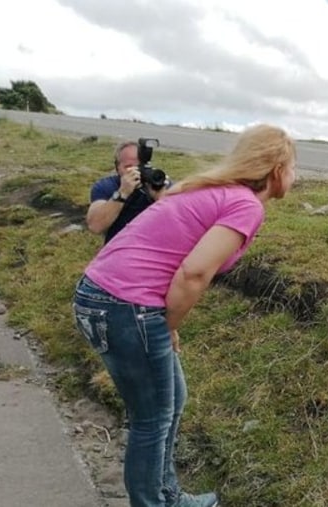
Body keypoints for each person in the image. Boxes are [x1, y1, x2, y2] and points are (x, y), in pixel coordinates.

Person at [71, 124, 297, 507]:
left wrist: (163, 323)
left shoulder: (209, 189)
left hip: (102, 296)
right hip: (126, 306)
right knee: (152, 417)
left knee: (171, 400)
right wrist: (166, 324)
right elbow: (193, 273)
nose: (295, 175)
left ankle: (168, 495)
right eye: (293, 166)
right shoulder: (245, 204)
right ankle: (153, 503)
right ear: (276, 169)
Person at [87, 140, 169, 243]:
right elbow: (95, 226)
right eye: (129, 167)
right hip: (118, 249)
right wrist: (122, 193)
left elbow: (177, 226)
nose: (136, 172)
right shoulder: (106, 186)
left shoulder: (158, 185)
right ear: (117, 167)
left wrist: (161, 198)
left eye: (140, 166)